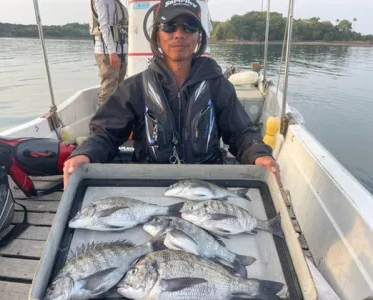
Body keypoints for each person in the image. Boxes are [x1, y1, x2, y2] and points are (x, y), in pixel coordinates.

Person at [64, 0, 280, 187]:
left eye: (189, 27)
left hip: (207, 184)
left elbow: (241, 133)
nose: (179, 34)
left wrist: (259, 154)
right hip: (150, 182)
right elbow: (105, 134)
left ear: (198, 37)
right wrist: (85, 153)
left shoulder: (218, 86)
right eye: (169, 26)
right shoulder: (135, 87)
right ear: (157, 34)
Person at [89, 0, 128, 106]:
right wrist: (112, 52)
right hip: (108, 52)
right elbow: (104, 26)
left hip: (121, 50)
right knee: (108, 91)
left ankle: (116, 118)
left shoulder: (116, 2)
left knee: (119, 89)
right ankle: (103, 120)